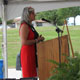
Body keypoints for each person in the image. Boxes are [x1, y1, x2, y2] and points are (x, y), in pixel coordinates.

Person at [19, 7, 44, 78]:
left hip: (33, 52)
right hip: (27, 54)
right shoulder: (24, 26)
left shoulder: (30, 25)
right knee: (29, 75)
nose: (35, 14)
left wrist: (38, 39)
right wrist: (37, 40)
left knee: (34, 74)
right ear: (28, 15)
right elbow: (24, 42)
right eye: (33, 13)